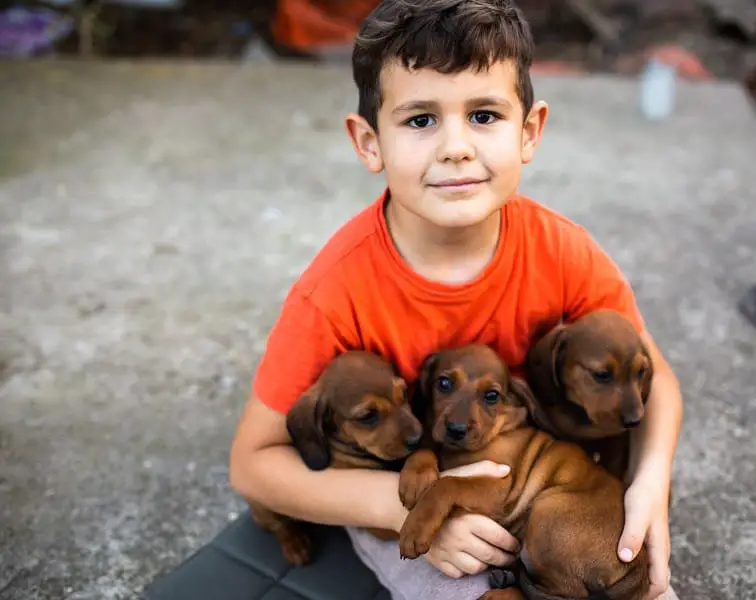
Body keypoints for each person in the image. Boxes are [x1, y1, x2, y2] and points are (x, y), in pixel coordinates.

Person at [228, 0, 683, 598]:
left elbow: (660, 384)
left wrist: (649, 486)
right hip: (409, 494)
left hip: (542, 491)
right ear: (370, 144)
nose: (456, 147)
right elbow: (252, 463)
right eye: (420, 121)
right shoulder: (334, 292)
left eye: (485, 115)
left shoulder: (564, 251)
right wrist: (403, 511)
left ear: (529, 132)